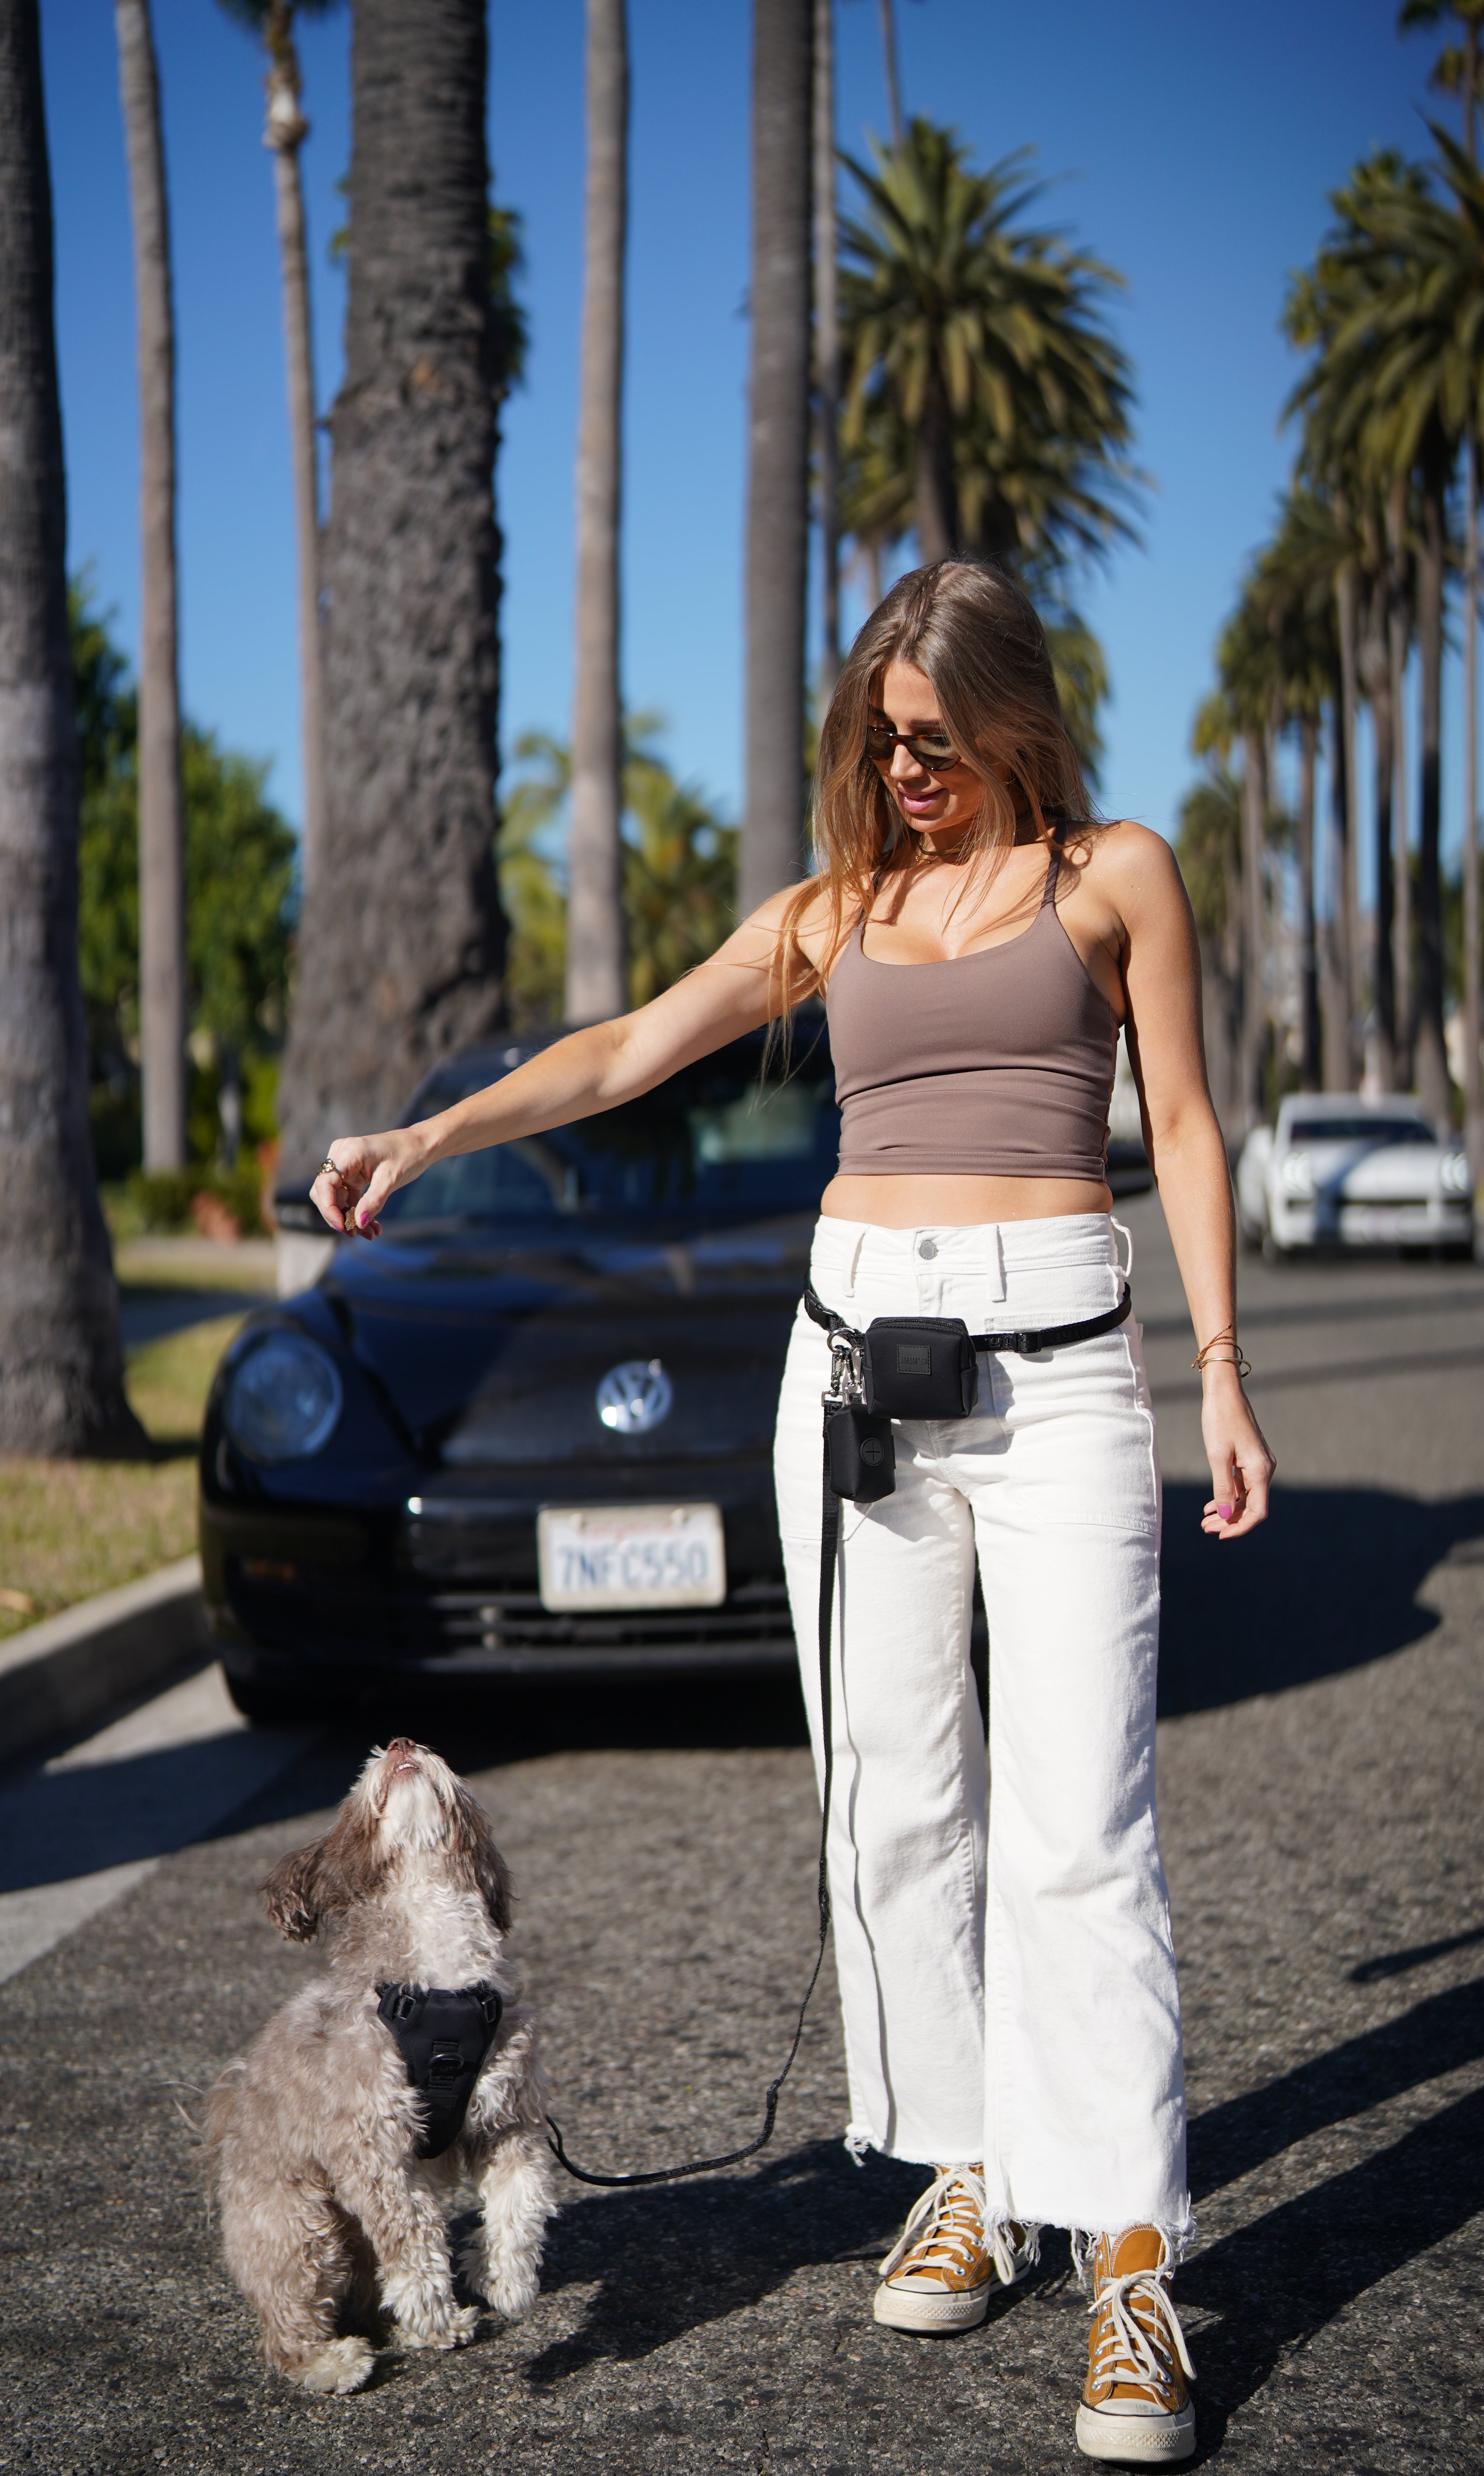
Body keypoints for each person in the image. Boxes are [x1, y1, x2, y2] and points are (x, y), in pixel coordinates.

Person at [311, 560, 1273, 2467]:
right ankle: (969, 2167)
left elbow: (1175, 1123)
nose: (904, 770)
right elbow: (622, 1049)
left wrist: (1225, 1369)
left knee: (1081, 1826)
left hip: (1063, 1374)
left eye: (935, 738)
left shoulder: (1116, 877)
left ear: (1010, 716)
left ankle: (1137, 2261)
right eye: (880, 739)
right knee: (896, 1803)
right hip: (846, 1385)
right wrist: (427, 1138)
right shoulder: (836, 914)